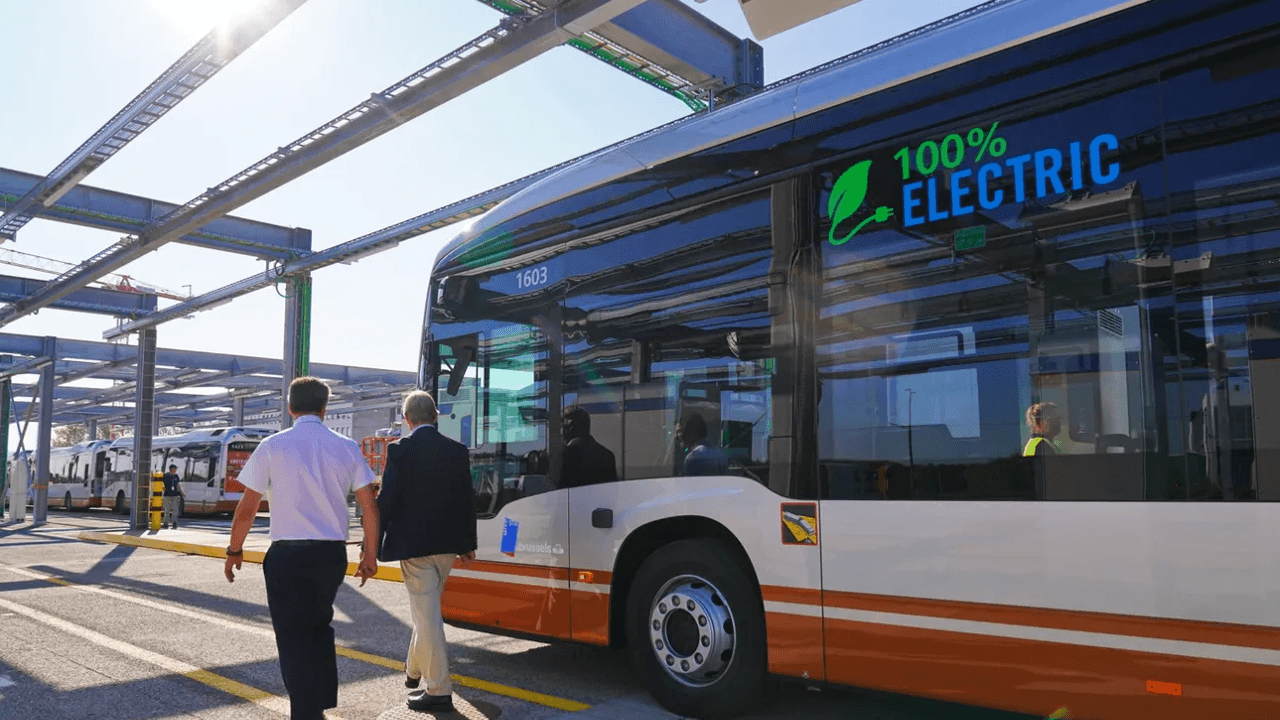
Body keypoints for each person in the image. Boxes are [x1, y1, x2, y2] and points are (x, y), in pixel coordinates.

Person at [223, 377, 379, 720]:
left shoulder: (271, 446)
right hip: (330, 556)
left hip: (287, 556)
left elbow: (247, 508)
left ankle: (305, 712)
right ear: (325, 408)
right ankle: (317, 704)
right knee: (319, 626)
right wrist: (369, 554)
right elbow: (369, 506)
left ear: (290, 408)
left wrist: (235, 550)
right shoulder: (347, 447)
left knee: (292, 634)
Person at [377, 391, 477, 713]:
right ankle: (413, 671)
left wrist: (373, 544)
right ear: (436, 416)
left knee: (427, 615)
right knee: (428, 614)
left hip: (415, 549)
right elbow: (467, 499)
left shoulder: (400, 451)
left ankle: (438, 691)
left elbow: (387, 500)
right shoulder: (457, 451)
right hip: (448, 547)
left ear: (407, 420)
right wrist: (468, 543)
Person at [561, 405, 618, 488]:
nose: (560, 432)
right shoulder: (607, 455)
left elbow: (561, 493)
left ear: (571, 426)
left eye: (561, 426)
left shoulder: (566, 455)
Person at [161, 464, 183, 529]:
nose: (175, 470)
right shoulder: (166, 475)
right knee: (167, 510)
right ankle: (165, 523)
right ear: (171, 469)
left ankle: (174, 523)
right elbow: (163, 484)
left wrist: (182, 492)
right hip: (167, 494)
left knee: (175, 510)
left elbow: (178, 485)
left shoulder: (176, 476)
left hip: (175, 495)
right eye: (174, 469)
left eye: (176, 469)